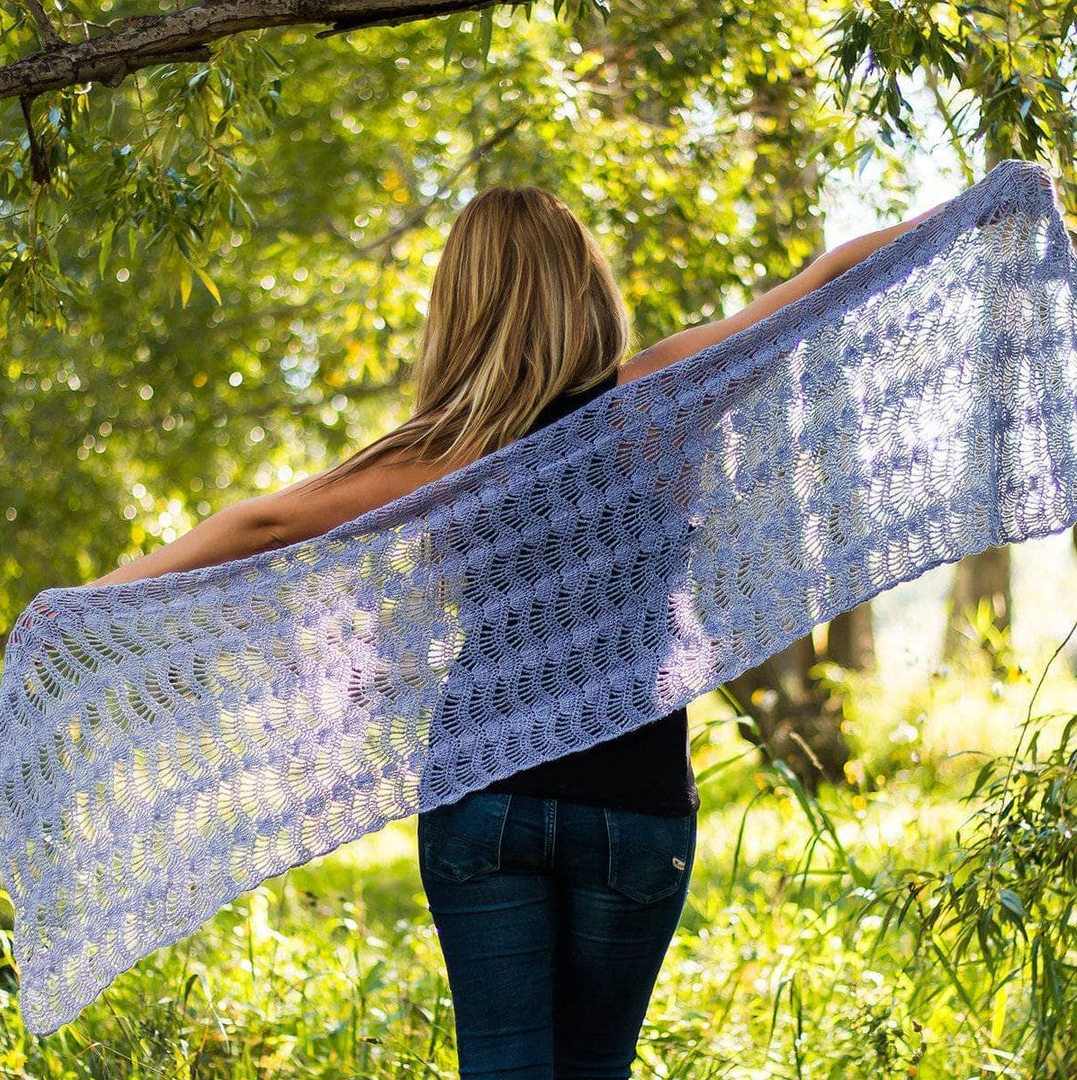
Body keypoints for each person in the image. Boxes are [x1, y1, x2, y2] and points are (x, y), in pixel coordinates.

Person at [88, 181, 944, 1079]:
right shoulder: (655, 400)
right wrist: (968, 209)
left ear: (460, 307)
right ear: (586, 286)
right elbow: (823, 281)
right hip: (635, 801)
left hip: (481, 793)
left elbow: (262, 525)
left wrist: (93, 598)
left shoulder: (444, 454)